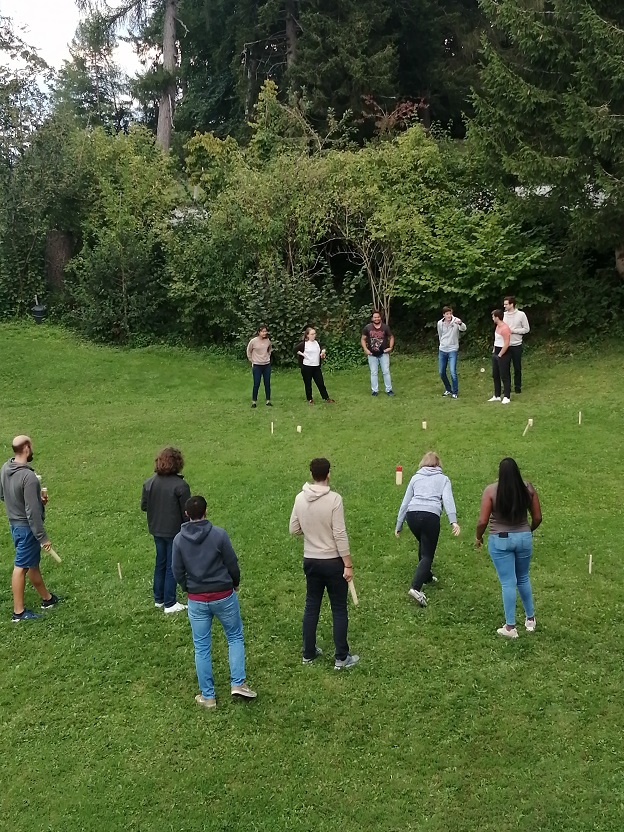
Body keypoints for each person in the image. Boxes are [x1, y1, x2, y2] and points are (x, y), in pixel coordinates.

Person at [172, 495, 257, 708]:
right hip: (223, 595)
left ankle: (208, 696)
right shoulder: (219, 535)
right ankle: (238, 683)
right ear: (206, 511)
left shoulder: (179, 540)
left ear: (186, 515)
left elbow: (177, 570)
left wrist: (187, 588)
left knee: (201, 647)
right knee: (235, 636)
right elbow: (232, 562)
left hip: (197, 599)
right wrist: (235, 582)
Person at [289, 458, 358, 669]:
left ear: (311, 474)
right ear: (328, 474)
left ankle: (308, 653)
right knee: (338, 608)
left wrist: (311, 533)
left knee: (312, 605)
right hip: (332, 561)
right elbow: (339, 534)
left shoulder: (300, 498)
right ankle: (341, 657)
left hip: (311, 560)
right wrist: (348, 564)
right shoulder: (335, 499)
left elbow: (294, 528)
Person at [476, 458, 542, 639]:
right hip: (523, 538)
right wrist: (527, 532)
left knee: (508, 582)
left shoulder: (491, 490)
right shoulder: (528, 489)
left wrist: (478, 536)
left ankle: (510, 627)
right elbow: (537, 517)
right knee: (523, 578)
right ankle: (530, 619)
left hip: (500, 540)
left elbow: (482, 520)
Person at [0, 435, 60, 622]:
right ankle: (18, 612)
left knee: (31, 563)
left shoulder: (5, 467)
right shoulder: (29, 477)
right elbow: (32, 513)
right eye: (31, 445)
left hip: (15, 525)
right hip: (27, 528)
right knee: (21, 567)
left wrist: (36, 501)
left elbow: (3, 495)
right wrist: (43, 538)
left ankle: (47, 599)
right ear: (26, 448)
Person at [395, 452, 460, 606]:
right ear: (438, 465)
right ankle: (416, 588)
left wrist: (399, 524)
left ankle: (427, 576)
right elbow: (448, 500)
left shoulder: (415, 478)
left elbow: (405, 502)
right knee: (428, 554)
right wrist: (453, 521)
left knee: (424, 543)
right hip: (430, 516)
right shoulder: (443, 479)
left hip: (412, 516)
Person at [141, 446, 191, 614]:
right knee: (171, 565)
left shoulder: (149, 483)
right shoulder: (181, 486)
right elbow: (187, 512)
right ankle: (169, 602)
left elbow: (144, 506)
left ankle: (159, 598)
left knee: (160, 562)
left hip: (156, 529)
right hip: (174, 532)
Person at [294, 327, 335, 405]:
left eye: (314, 334)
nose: (314, 335)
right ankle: (310, 399)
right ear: (307, 335)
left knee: (320, 383)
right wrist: (303, 355)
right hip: (307, 367)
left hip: (316, 367)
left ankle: (326, 398)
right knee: (308, 383)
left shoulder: (317, 343)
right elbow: (295, 350)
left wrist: (323, 352)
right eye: (312, 334)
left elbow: (323, 348)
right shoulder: (304, 344)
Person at [361, 310, 395, 396]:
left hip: (383, 353)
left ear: (380, 318)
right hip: (372, 354)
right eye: (375, 317)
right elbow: (363, 339)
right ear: (372, 318)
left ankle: (389, 390)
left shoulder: (385, 327)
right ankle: (374, 391)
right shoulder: (367, 328)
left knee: (386, 371)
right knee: (373, 372)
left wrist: (390, 348)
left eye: (378, 317)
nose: (376, 319)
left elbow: (391, 337)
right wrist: (365, 349)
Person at [437, 306, 467, 398]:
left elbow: (464, 329)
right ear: (444, 315)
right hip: (442, 349)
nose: (449, 315)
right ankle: (448, 389)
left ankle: (455, 392)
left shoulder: (456, 321)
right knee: (441, 372)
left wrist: (461, 323)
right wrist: (442, 344)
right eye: (447, 314)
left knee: (452, 371)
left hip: (453, 349)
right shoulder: (439, 323)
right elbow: (440, 334)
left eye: (450, 313)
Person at [503, 296, 530, 394]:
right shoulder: (504, 315)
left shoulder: (521, 315)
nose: (504, 306)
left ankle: (517, 387)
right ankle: (507, 388)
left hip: (517, 345)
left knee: (517, 367)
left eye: (506, 304)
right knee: (505, 368)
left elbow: (526, 329)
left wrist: (513, 331)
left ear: (512, 304)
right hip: (505, 345)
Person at [489, 309, 512, 404]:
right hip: (497, 351)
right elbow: (496, 340)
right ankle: (497, 395)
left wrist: (500, 354)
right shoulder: (497, 327)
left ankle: (507, 396)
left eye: (493, 316)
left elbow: (506, 343)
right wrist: (494, 351)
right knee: (495, 375)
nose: (492, 318)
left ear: (497, 317)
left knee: (504, 375)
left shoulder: (505, 328)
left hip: (504, 353)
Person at [246, 324, 272, 408]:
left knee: (267, 383)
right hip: (257, 365)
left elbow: (269, 349)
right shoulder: (253, 341)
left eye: (265, 331)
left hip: (266, 365)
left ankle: (268, 400)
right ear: (259, 332)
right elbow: (248, 351)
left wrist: (267, 356)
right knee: (256, 383)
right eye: (263, 331)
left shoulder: (267, 341)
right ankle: (254, 401)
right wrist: (252, 360)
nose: (264, 333)